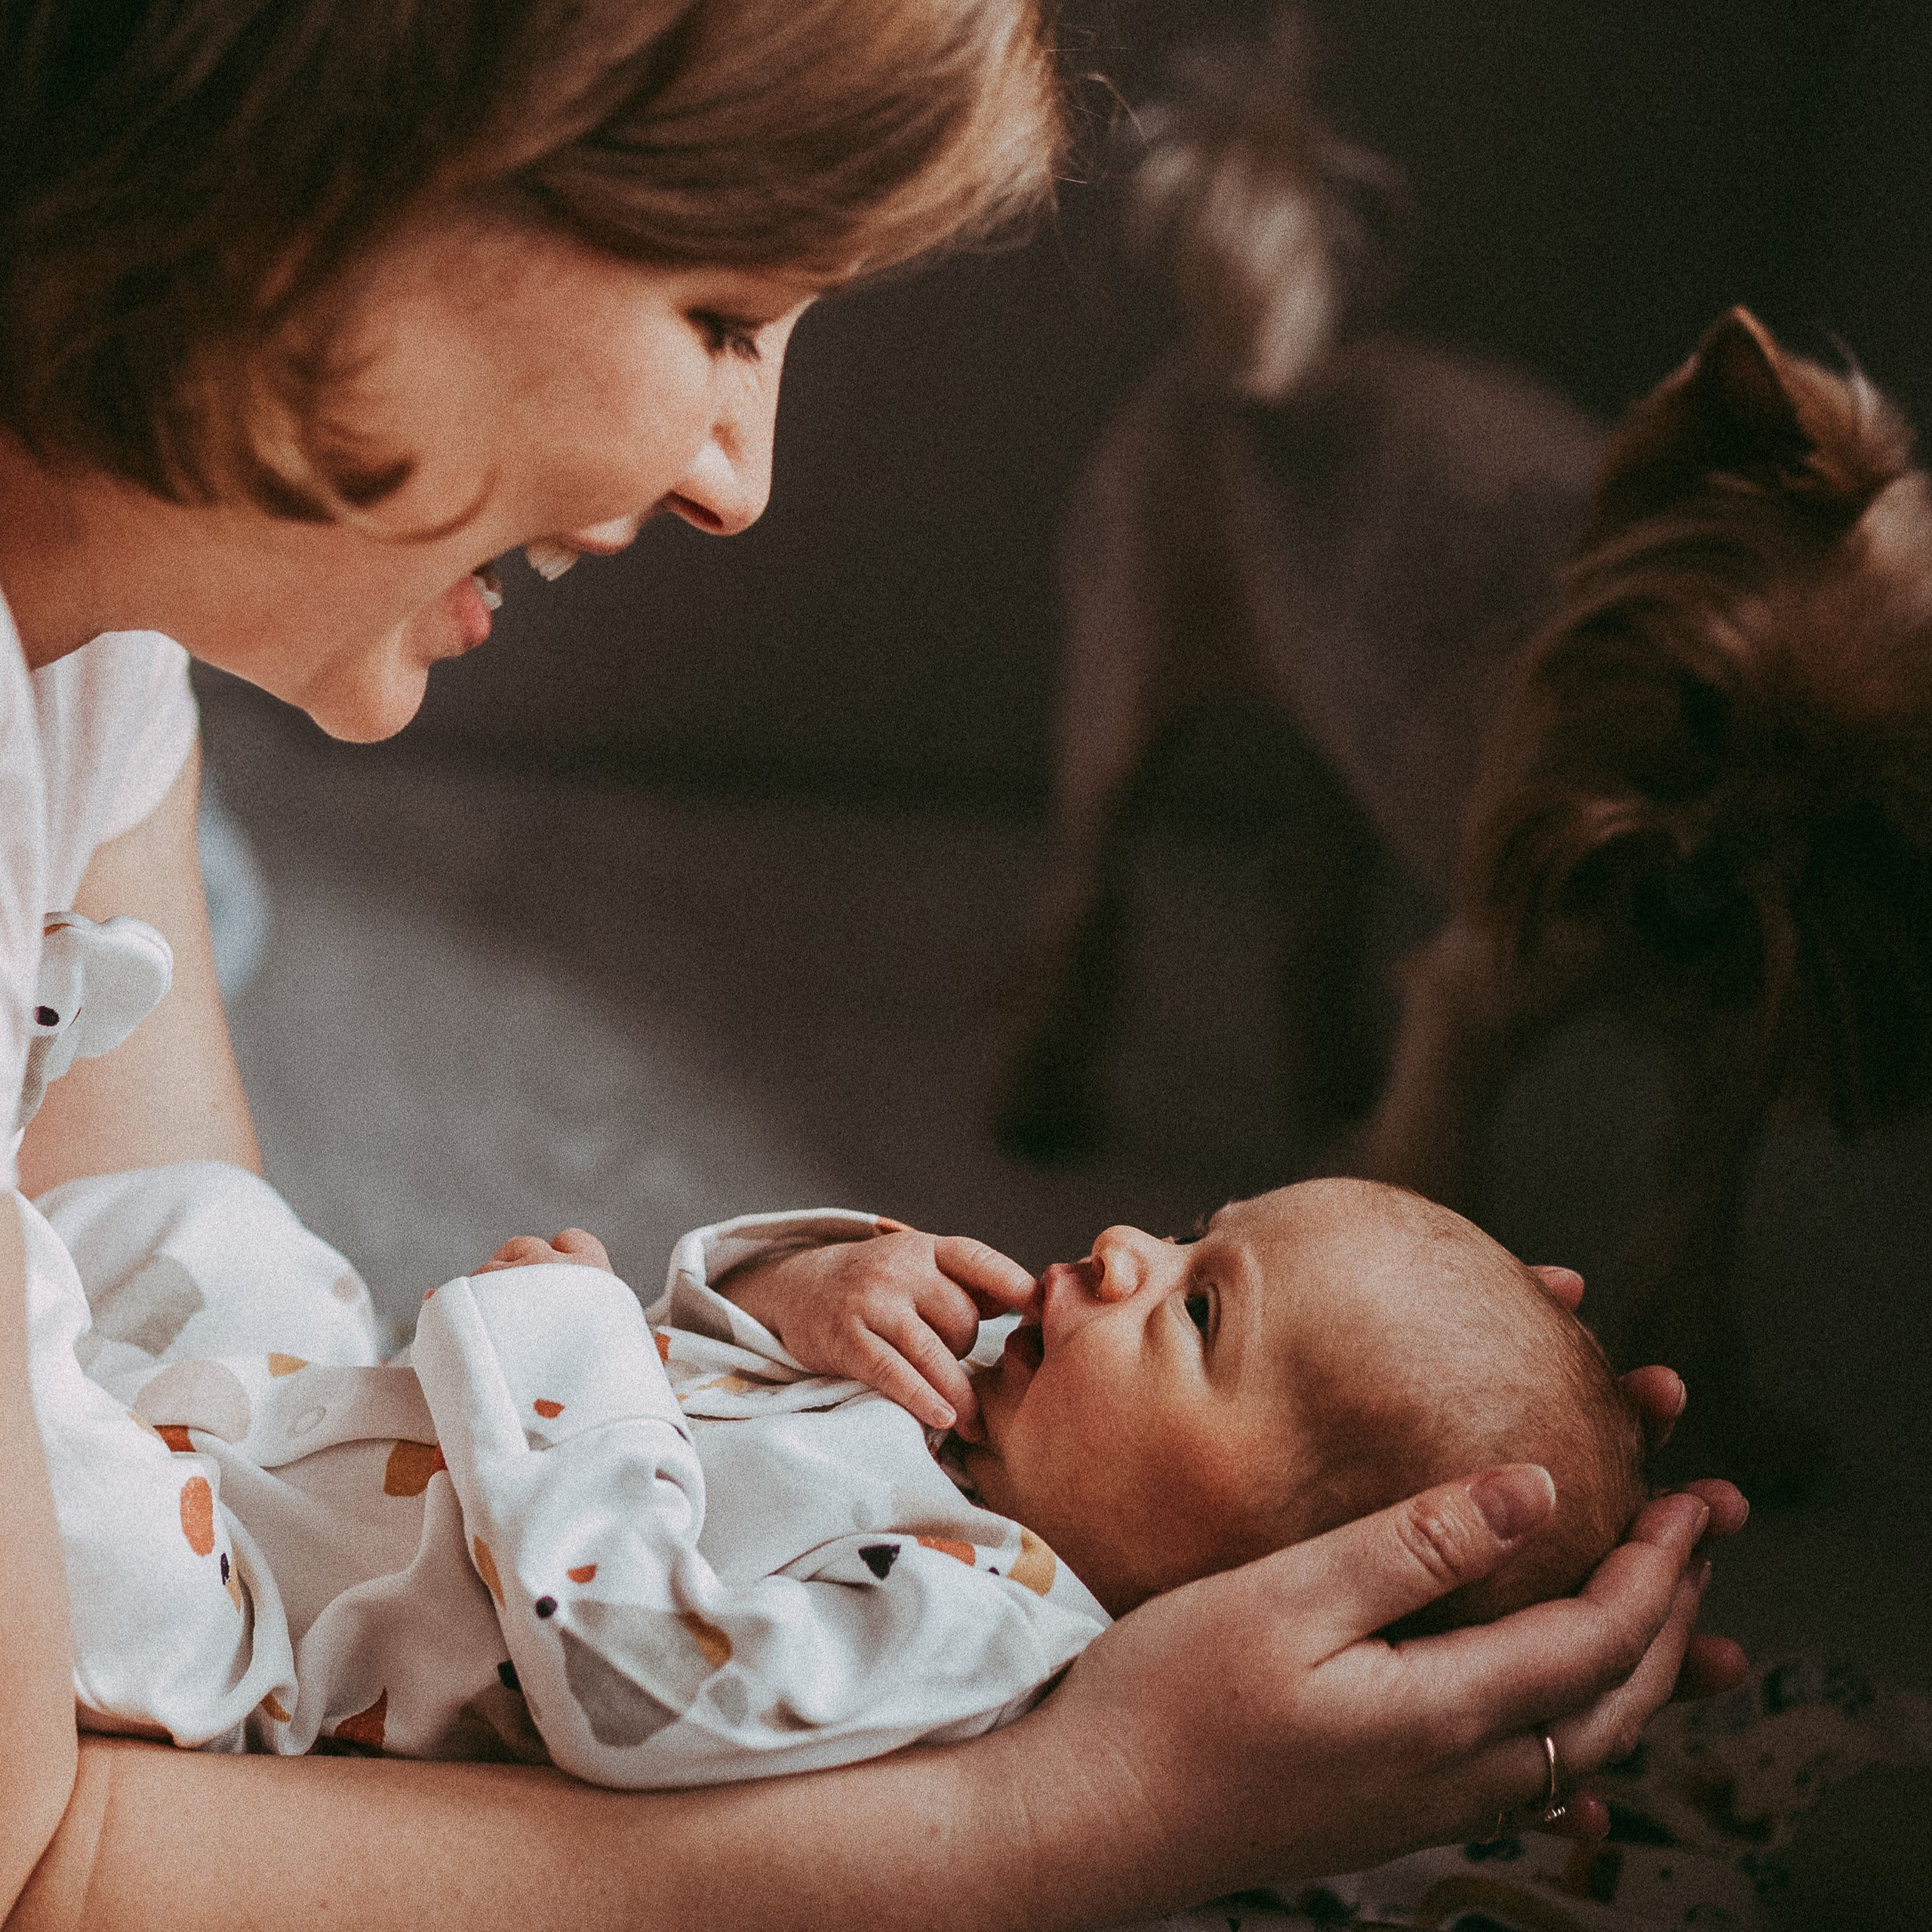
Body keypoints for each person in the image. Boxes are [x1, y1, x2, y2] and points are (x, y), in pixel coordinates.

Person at [0, 2, 1748, 1926]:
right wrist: (1077, 1814)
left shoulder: (83, 645)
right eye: (727, 316)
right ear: (313, 179)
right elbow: (42, 1855)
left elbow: (135, 1236)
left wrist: (793, 1306)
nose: (737, 480)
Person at [36, 1144, 1650, 1789]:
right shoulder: (959, 1419)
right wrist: (786, 1291)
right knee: (216, 1223)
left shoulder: (981, 1621)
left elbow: (638, 1677)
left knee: (57, 1490)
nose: (1120, 1244)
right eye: (1191, 1229)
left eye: (1201, 1303)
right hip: (315, 1417)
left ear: (1264, 1568)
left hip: (259, 1629)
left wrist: (567, 1343)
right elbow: (690, 1375)